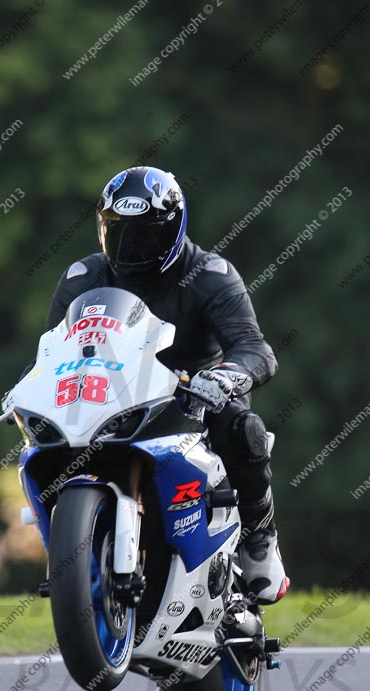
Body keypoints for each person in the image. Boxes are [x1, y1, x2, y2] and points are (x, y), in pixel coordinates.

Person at [43, 166, 289, 604]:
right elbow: (51, 351)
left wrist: (226, 377)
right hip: (113, 399)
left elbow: (256, 348)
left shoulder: (211, 274)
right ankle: (70, 552)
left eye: (146, 235)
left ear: (174, 228)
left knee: (242, 425)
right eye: (120, 234)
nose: (132, 247)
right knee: (44, 445)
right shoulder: (83, 278)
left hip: (195, 399)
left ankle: (259, 538)